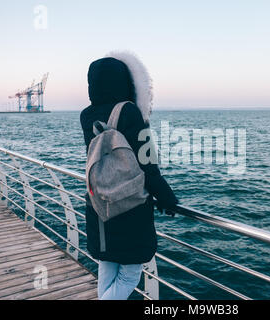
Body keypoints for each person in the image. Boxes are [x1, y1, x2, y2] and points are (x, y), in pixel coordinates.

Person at [80, 51, 178, 300]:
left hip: (99, 202)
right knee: (130, 274)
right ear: (127, 82)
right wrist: (166, 197)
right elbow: (148, 163)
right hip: (129, 204)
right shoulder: (131, 113)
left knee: (107, 263)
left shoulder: (86, 115)